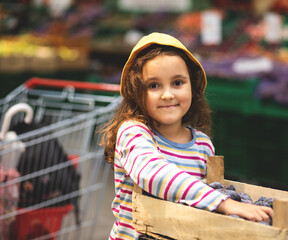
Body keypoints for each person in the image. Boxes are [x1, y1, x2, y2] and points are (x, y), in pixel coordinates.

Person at [101, 32, 273, 240]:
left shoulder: (202, 145)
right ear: (136, 91)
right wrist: (222, 202)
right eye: (154, 85)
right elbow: (153, 174)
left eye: (177, 83)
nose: (168, 94)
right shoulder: (134, 133)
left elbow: (196, 206)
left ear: (192, 85)